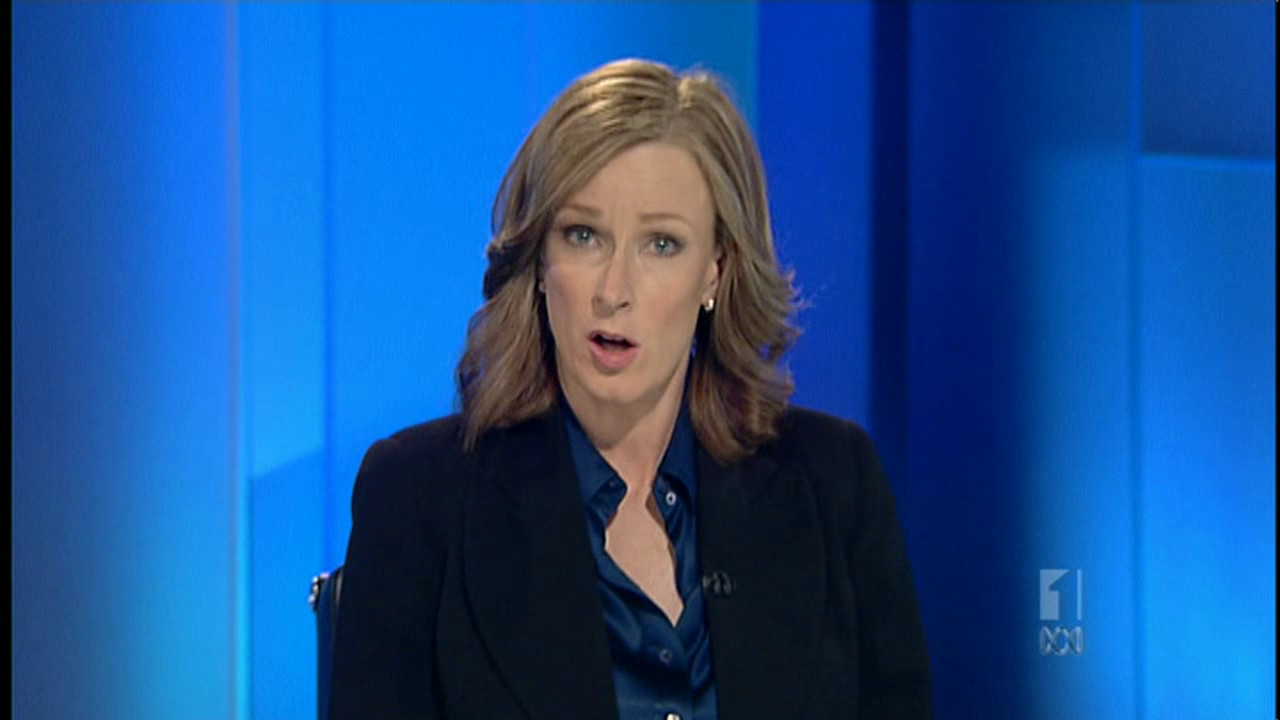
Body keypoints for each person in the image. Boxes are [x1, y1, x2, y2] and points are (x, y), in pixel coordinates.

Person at [329, 58, 932, 720]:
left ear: (715, 271)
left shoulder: (834, 484)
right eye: (583, 236)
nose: (614, 290)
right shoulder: (419, 500)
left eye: (661, 244)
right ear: (540, 261)